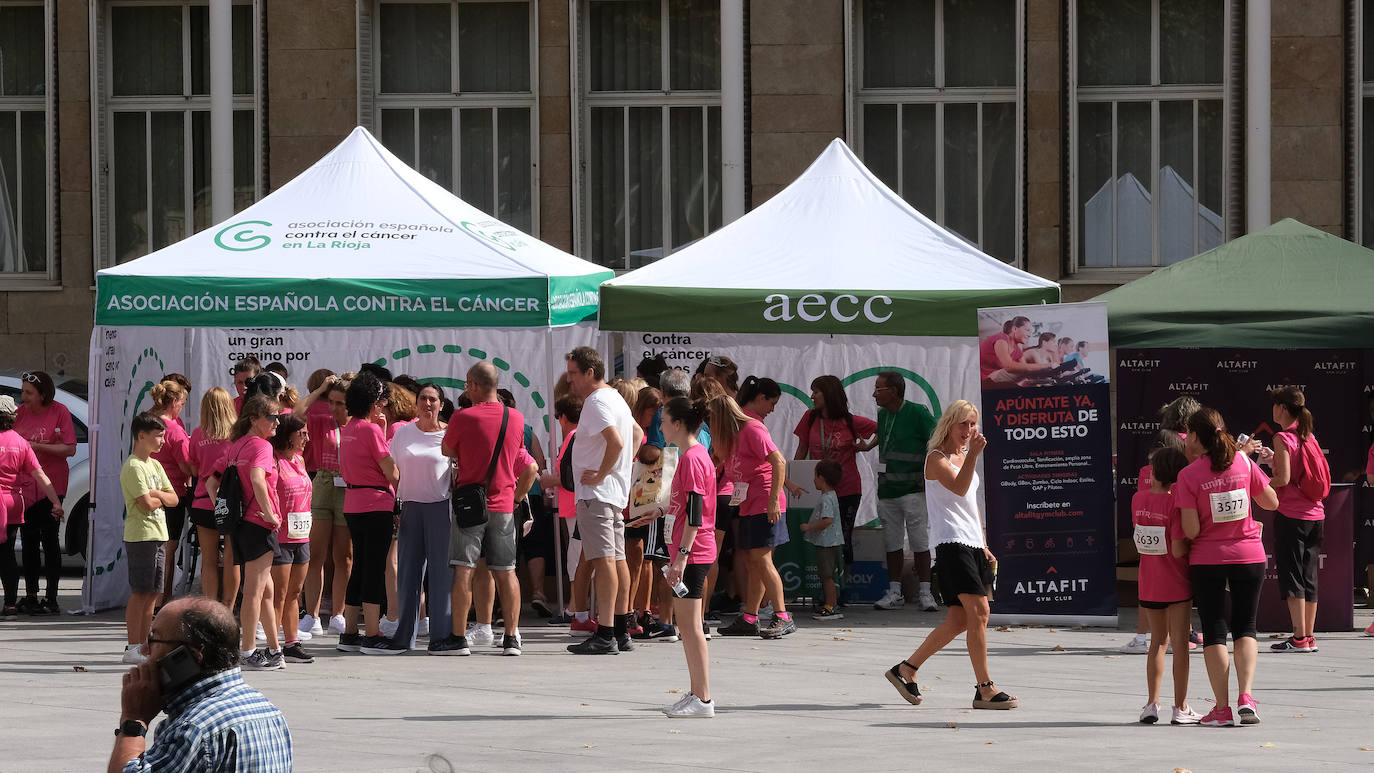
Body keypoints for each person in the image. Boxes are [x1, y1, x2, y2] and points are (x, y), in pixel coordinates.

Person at [884, 400, 1016, 710]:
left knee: (958, 620)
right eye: (963, 424)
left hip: (971, 545)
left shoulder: (963, 457)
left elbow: (970, 506)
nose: (969, 431)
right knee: (980, 613)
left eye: (973, 424)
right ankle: (985, 688)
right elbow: (958, 487)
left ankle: (906, 669)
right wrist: (974, 457)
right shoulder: (936, 458)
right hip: (951, 545)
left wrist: (983, 543)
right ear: (949, 425)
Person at [108, 597, 292, 773]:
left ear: (190, 656)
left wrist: (133, 719)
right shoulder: (269, 711)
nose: (144, 650)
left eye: (153, 640)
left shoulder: (194, 729)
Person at [1177, 408, 1278, 727]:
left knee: (1215, 632)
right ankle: (1246, 696)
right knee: (1246, 626)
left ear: (1194, 436)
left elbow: (1191, 530)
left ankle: (1221, 708)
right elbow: (1271, 502)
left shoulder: (1188, 475)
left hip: (1208, 560)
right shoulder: (1244, 463)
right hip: (1249, 555)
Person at [432, 362, 528, 657]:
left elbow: (446, 449)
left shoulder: (463, 416)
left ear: (473, 384)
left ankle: (458, 638)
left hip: (471, 504)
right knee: (507, 572)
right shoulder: (516, 417)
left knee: (464, 570)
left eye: (466, 384)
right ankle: (511, 638)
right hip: (505, 503)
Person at [641, 397, 718, 717]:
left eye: (663, 421)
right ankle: (696, 693)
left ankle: (702, 698)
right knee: (687, 627)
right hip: (690, 550)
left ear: (678, 424)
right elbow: (686, 505)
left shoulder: (693, 458)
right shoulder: (691, 456)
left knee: (691, 627)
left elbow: (697, 514)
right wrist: (659, 511)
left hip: (694, 552)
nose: (659, 427)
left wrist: (682, 558)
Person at [565, 346, 643, 655]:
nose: (569, 380)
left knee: (604, 561)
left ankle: (607, 632)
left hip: (598, 494)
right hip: (612, 492)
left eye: (573, 373)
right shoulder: (616, 398)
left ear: (589, 372)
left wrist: (601, 473)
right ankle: (620, 631)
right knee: (617, 559)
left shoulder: (596, 401)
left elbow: (619, 440)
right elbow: (636, 434)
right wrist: (620, 468)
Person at [207, 395, 285, 671]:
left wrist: (224, 508)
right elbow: (256, 478)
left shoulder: (235, 446)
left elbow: (210, 482)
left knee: (266, 590)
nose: (277, 421)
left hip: (240, 524)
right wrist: (269, 512)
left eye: (278, 417)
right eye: (272, 417)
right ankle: (249, 651)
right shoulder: (261, 446)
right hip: (258, 524)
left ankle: (275, 649)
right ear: (254, 419)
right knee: (255, 590)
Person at [1122, 396, 1202, 655]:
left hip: (1159, 528)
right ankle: (1179, 634)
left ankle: (1144, 637)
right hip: (1181, 526)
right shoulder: (1191, 446)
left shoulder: (1155, 465)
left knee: (1153, 580)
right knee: (1180, 582)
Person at [710, 395, 794, 639]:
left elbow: (778, 461)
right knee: (752, 560)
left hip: (765, 501)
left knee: (761, 558)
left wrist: (772, 500)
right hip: (749, 503)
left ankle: (782, 616)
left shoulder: (752, 429)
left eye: (713, 419)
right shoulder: (731, 438)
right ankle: (750, 617)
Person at [1131, 446, 1202, 725]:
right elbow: (1178, 548)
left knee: (1156, 644)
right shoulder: (1175, 503)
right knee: (1180, 645)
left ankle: (1151, 703)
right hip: (1176, 582)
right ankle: (1181, 707)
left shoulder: (1137, 499)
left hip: (1148, 581)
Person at [857, 371, 938, 611]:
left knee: (919, 541)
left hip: (913, 490)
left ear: (893, 391)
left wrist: (928, 476)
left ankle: (926, 593)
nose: (873, 394)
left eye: (878, 389)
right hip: (887, 491)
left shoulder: (918, 412)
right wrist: (868, 445)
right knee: (891, 542)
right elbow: (886, 438)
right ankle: (895, 592)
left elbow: (935, 442)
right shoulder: (883, 415)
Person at [334, 373, 401, 655]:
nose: (383, 408)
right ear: (373, 403)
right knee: (373, 568)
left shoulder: (348, 428)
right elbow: (391, 470)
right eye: (381, 403)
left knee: (360, 566)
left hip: (353, 503)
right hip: (376, 503)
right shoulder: (370, 431)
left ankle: (350, 632)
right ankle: (372, 634)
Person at [1261, 386, 1330, 652]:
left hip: (1291, 515)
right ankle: (1308, 637)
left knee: (1292, 576)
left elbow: (1284, 479)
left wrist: (1260, 479)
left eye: (1275, 405)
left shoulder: (1281, 436)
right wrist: (1272, 461)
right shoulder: (1307, 435)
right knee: (1309, 575)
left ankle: (1299, 637)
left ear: (1281, 408)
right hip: (1316, 514)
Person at [390, 383, 453, 652]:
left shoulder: (450, 434)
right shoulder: (403, 434)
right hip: (410, 508)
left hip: (441, 507)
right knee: (407, 575)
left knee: (441, 576)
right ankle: (404, 636)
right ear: (416, 403)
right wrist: (396, 505)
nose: (428, 404)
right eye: (423, 399)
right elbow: (392, 471)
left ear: (441, 404)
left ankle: (442, 636)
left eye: (433, 399)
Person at [793, 375, 878, 573]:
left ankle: (842, 587)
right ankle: (823, 585)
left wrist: (867, 447)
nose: (812, 396)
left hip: (847, 489)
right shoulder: (810, 417)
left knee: (842, 536)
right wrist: (794, 479)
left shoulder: (850, 421)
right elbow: (802, 448)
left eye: (816, 391)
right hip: (819, 489)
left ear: (829, 394)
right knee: (819, 536)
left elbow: (881, 428)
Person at [13, 370, 76, 615]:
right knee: (28, 541)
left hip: (52, 485)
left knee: (50, 540)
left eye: (29, 393)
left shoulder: (59, 411)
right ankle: (30, 595)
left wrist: (36, 446)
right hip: (26, 487)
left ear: (43, 394)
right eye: (23, 392)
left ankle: (51, 598)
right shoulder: (19, 413)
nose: (23, 397)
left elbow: (69, 448)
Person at [298, 376, 351, 638]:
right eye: (330, 402)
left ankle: (339, 613)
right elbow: (294, 413)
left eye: (339, 403)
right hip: (323, 481)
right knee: (315, 553)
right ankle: (312, 615)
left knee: (344, 556)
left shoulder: (362, 426)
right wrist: (319, 389)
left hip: (350, 488)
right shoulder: (320, 420)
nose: (333, 408)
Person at [119, 411, 173, 664]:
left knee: (153, 593)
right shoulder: (133, 466)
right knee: (141, 592)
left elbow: (172, 499)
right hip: (141, 536)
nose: (163, 441)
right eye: (158, 436)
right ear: (141, 436)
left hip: (159, 534)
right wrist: (157, 496)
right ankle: (132, 646)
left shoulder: (155, 464)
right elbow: (146, 504)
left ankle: (143, 645)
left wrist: (158, 494)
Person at [187, 388, 238, 606]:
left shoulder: (198, 433)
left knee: (208, 560)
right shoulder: (237, 435)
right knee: (231, 559)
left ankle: (210, 608)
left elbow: (193, 467)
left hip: (202, 502)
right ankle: (227, 606)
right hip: (232, 503)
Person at [270, 415, 314, 664]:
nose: (307, 438)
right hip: (281, 535)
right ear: (288, 435)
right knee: (280, 592)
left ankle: (291, 642)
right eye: (302, 433)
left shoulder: (299, 460)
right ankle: (274, 645)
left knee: (295, 592)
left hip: (302, 534)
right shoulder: (274, 461)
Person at [147, 380, 193, 606]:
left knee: (152, 547)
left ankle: (151, 600)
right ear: (174, 402)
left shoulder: (145, 422)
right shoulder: (174, 430)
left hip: (145, 491)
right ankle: (161, 600)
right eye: (182, 403)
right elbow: (186, 466)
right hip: (172, 493)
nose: (182, 408)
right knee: (167, 549)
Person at [802, 460, 845, 620]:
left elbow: (828, 520)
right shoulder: (832, 496)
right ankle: (831, 604)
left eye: (815, 476)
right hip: (832, 541)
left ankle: (831, 606)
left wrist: (810, 527)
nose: (813, 480)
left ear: (821, 477)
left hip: (826, 543)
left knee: (826, 576)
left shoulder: (826, 498)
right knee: (828, 576)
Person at [979, 316, 1052, 388]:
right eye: (1027, 330)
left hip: (996, 380)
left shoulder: (1017, 350)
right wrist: (1047, 365)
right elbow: (1009, 366)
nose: (1030, 335)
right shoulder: (1001, 339)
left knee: (1026, 373)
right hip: (983, 379)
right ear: (1015, 329)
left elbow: (1026, 369)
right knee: (1023, 370)